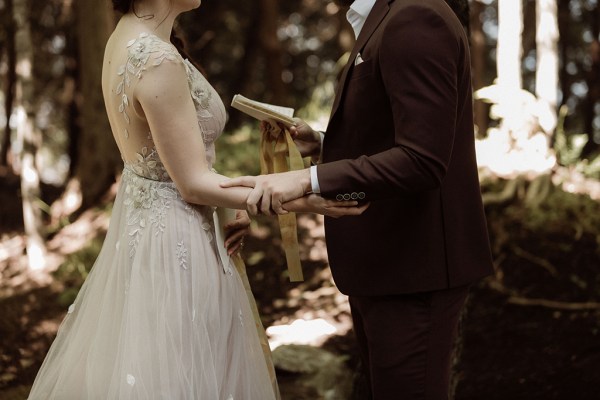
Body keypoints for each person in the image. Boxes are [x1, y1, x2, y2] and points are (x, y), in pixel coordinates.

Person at [27, 0, 367, 399]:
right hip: (178, 244)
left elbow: (175, 167)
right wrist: (301, 197)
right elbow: (191, 183)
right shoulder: (157, 59)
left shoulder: (129, 37)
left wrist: (235, 203)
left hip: (153, 233)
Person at [222, 0, 495, 398]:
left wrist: (307, 180)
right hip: (386, 265)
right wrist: (323, 145)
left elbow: (422, 160)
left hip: (415, 270)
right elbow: (393, 131)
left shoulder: (416, 17)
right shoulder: (388, 14)